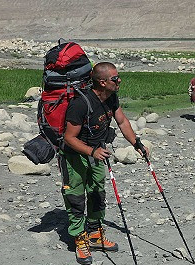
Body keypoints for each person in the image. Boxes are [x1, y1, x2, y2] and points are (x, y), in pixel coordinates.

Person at [61, 62, 149, 265]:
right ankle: (79, 238)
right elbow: (69, 138)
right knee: (75, 197)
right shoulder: (80, 104)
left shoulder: (111, 97)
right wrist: (92, 151)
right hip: (76, 155)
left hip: (98, 152)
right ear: (102, 82)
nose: (119, 81)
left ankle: (95, 234)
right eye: (115, 78)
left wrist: (136, 143)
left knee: (97, 193)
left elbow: (122, 121)